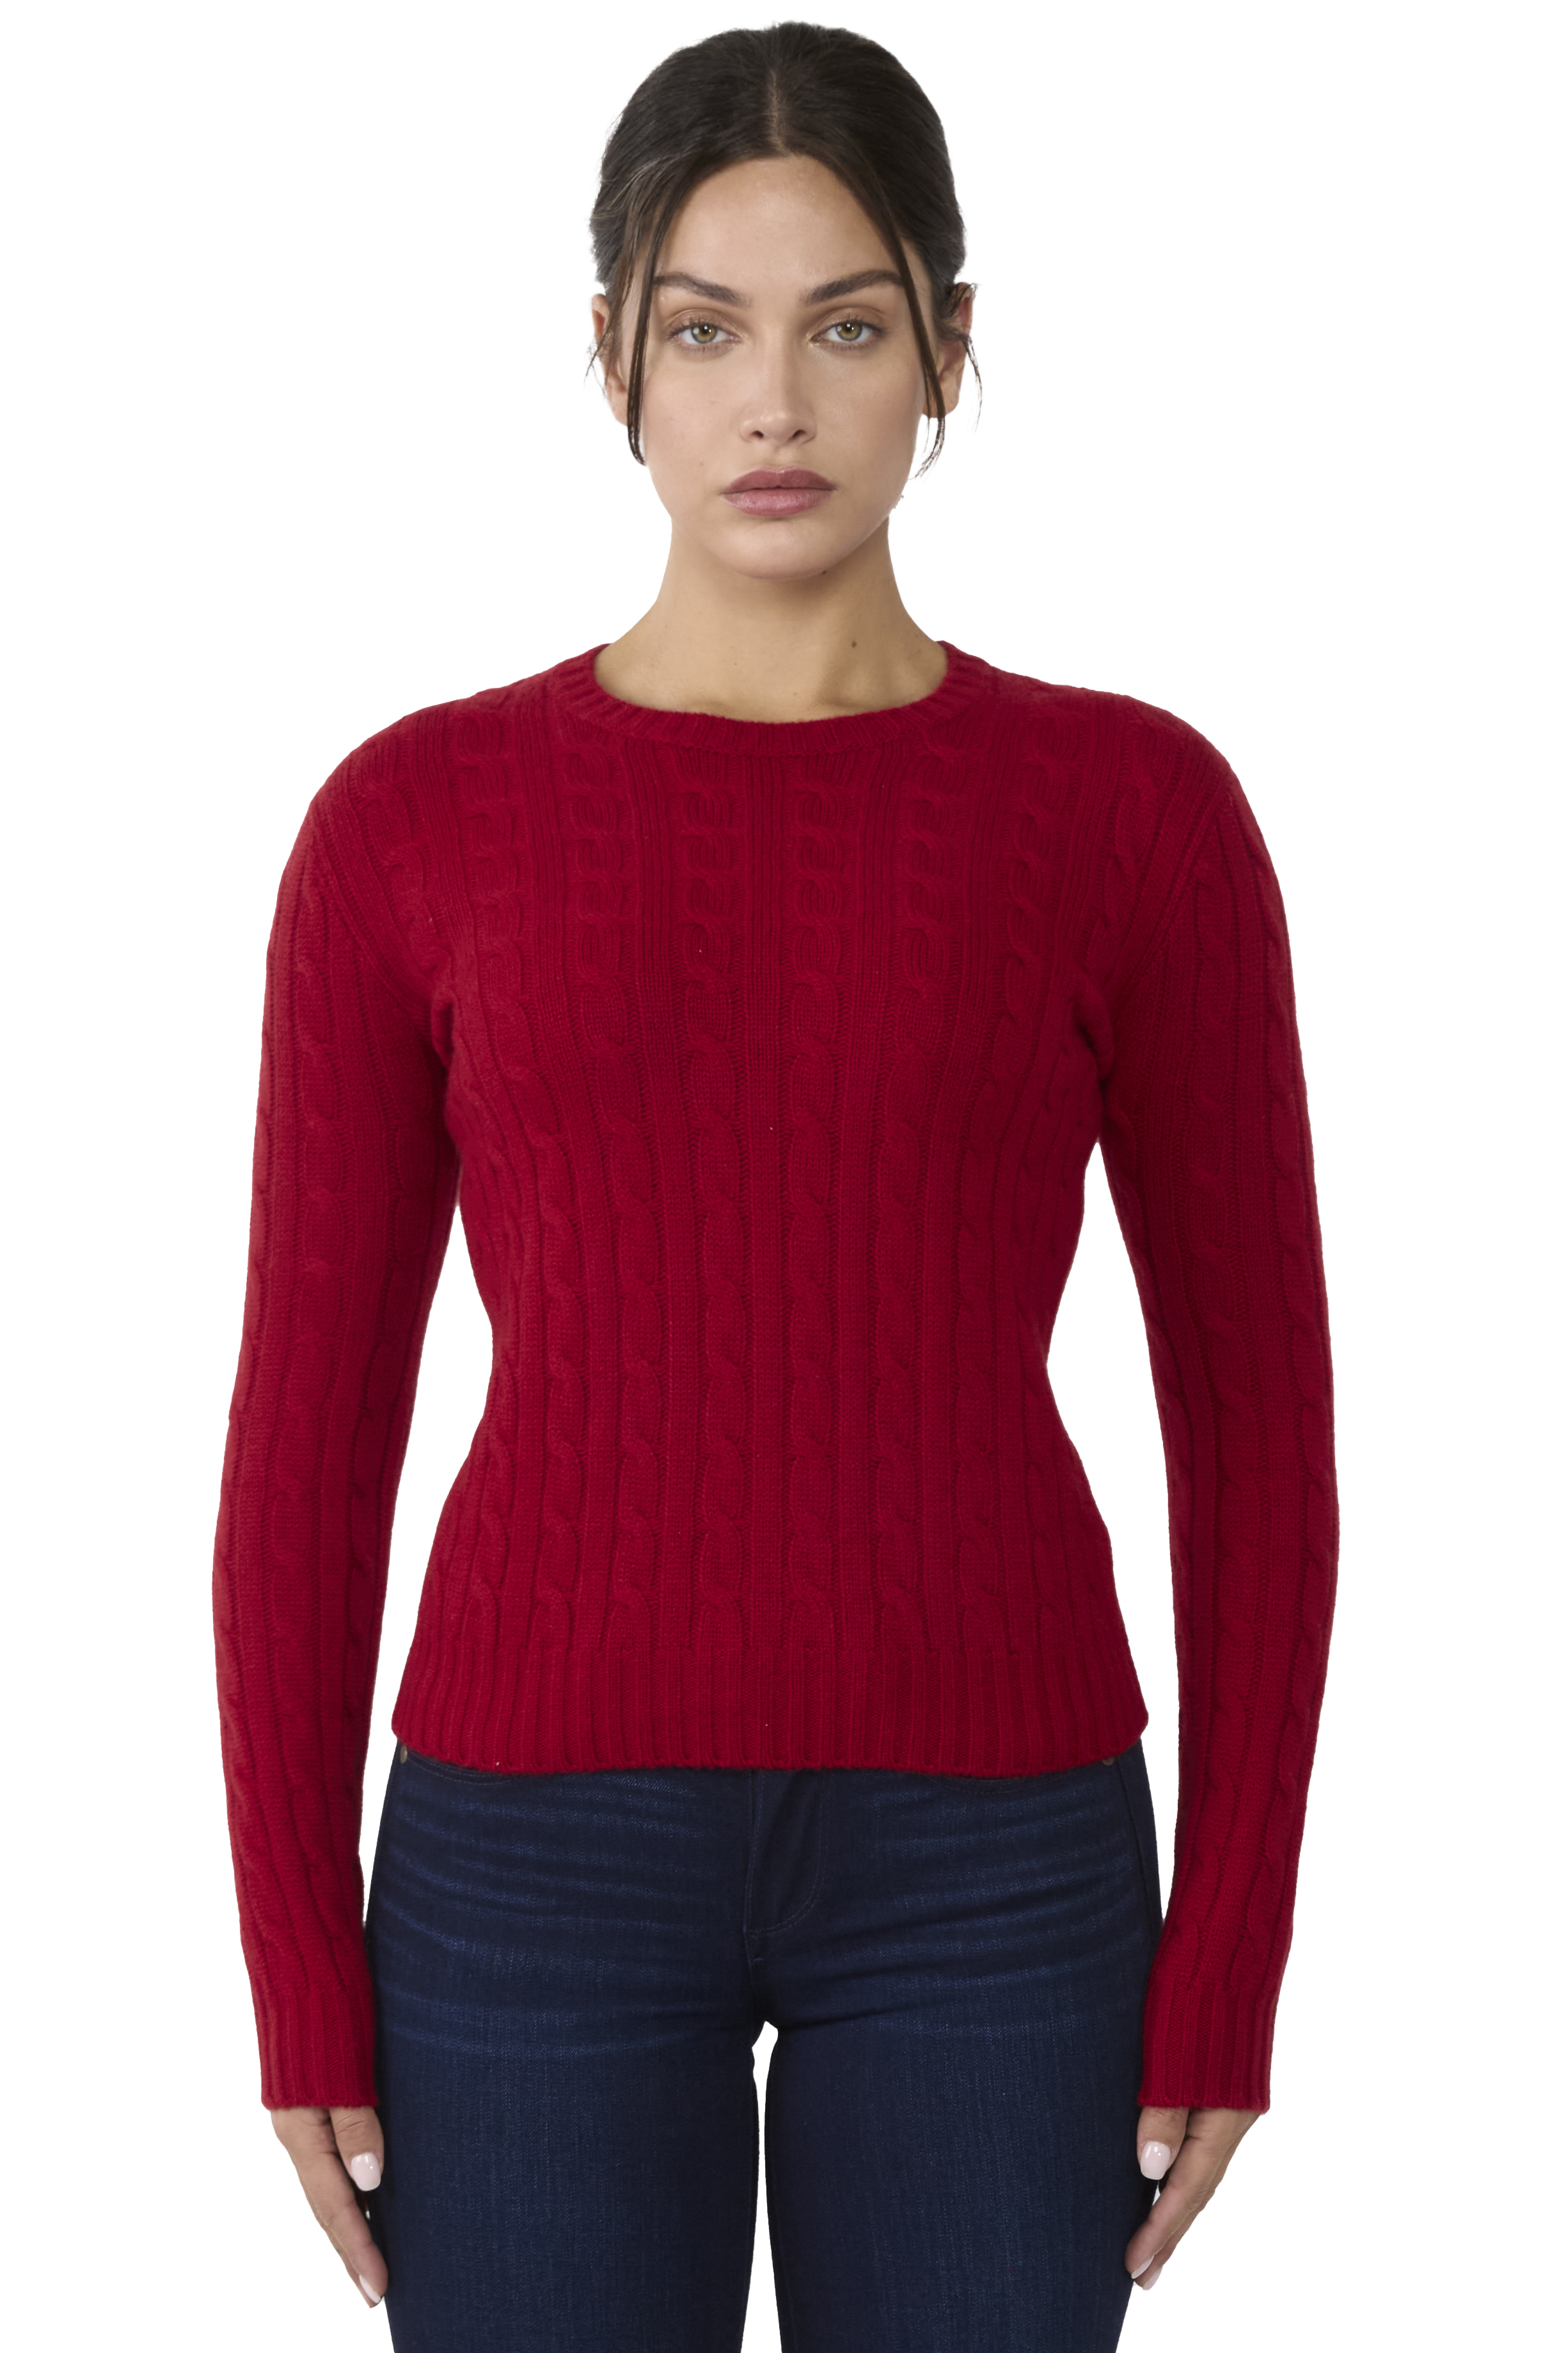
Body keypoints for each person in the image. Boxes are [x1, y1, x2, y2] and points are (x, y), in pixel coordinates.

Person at [212, 21, 1339, 2350]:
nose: (773, 404)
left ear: (947, 350)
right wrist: (296, 1961)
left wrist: (1227, 1948)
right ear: (610, 357)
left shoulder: (1129, 816)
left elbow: (1261, 1430)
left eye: (844, 326)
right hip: (526, 1855)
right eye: (705, 330)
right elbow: (304, 1446)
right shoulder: (410, 824)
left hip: (997, 1861)